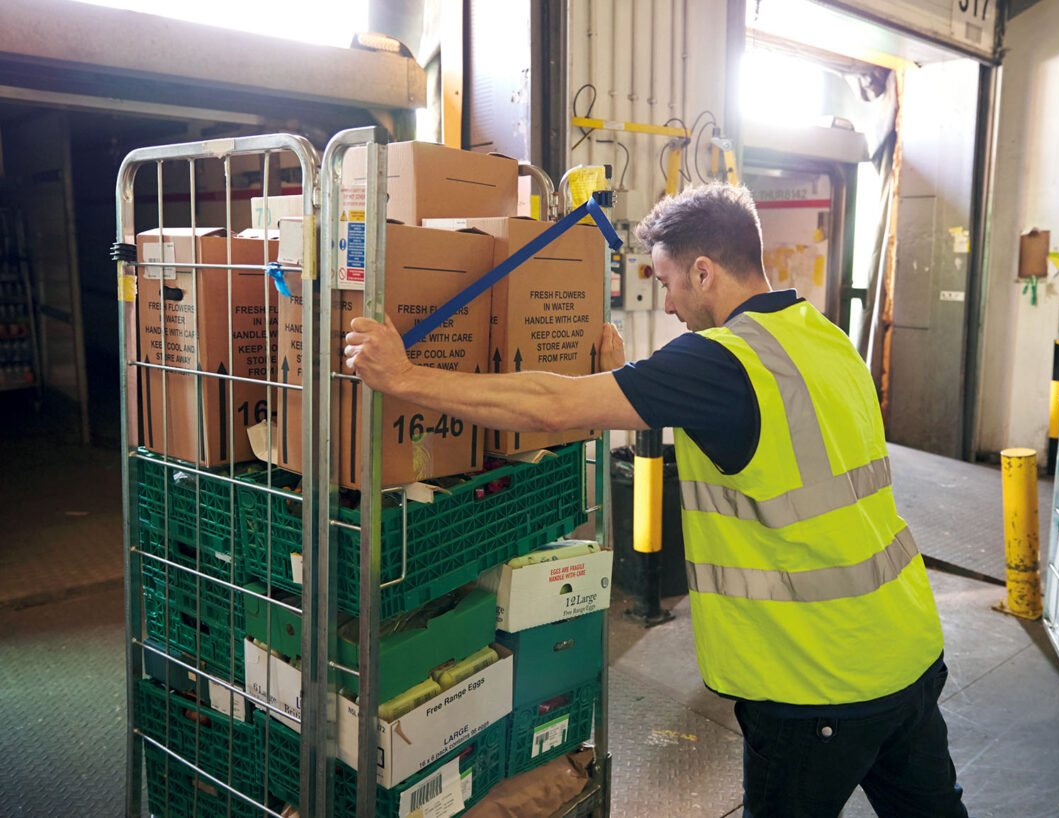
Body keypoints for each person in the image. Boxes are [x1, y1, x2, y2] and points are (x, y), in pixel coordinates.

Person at [345, 183, 968, 818]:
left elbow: (549, 405)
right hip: (906, 652)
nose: (666, 303)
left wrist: (403, 377)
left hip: (816, 682)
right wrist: (621, 377)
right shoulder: (822, 338)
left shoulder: (724, 362)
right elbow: (752, 428)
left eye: (667, 282)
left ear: (705, 271)